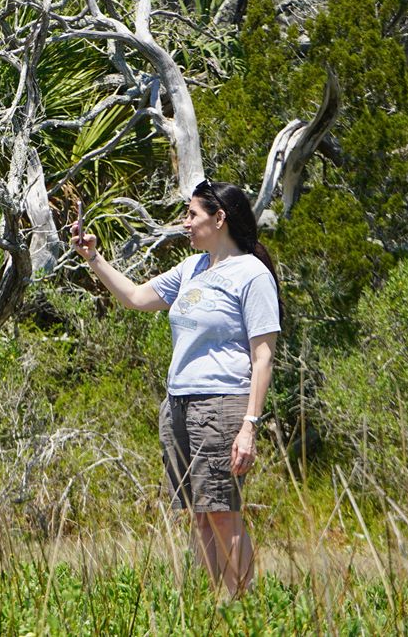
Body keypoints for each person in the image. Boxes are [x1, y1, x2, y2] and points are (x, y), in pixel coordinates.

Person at [70, 179, 279, 598]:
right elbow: (135, 297)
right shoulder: (193, 268)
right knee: (199, 514)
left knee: (222, 512)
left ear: (219, 218)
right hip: (179, 405)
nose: (185, 223)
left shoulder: (252, 275)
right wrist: (93, 258)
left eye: (192, 215)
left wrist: (249, 425)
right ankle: (212, 603)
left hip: (222, 407)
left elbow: (263, 357)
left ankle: (243, 607)